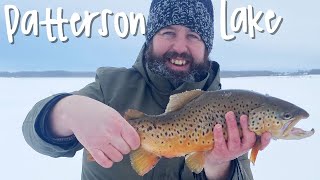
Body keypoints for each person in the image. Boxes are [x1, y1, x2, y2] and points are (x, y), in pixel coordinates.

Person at [22, 0, 271, 179]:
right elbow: (36, 138)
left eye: (194, 35)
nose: (180, 47)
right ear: (150, 38)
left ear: (207, 47)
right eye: (168, 32)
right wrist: (66, 111)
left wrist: (218, 166)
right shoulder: (109, 88)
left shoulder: (226, 108)